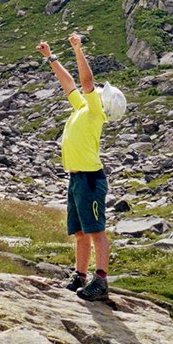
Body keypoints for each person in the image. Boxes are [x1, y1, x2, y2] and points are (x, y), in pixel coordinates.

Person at [41, 29, 112, 303]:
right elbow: (69, 83)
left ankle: (101, 280)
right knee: (81, 232)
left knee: (96, 231)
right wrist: (51, 57)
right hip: (77, 178)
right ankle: (80, 276)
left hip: (90, 179)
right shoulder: (82, 107)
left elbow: (85, 80)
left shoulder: (96, 111)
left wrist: (78, 49)